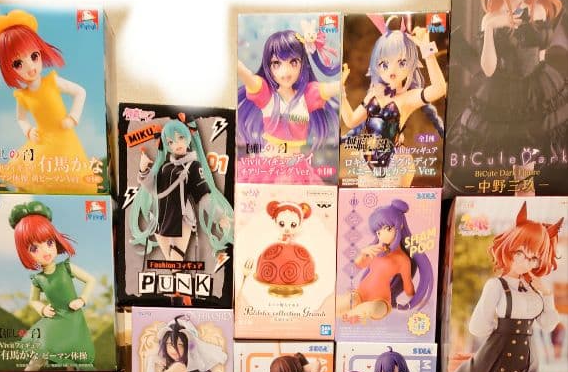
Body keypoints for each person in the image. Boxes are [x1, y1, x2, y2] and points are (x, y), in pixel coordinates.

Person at [447, 0, 567, 192]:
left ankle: (526, 198)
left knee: (532, 159)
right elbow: (488, 69)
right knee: (509, 155)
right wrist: (491, 27)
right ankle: (517, 199)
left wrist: (544, 82)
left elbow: (541, 53)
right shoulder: (490, 18)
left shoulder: (539, 11)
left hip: (539, 87)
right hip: (502, 91)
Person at [453, 203, 563, 372]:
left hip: (528, 355)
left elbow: (548, 325)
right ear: (510, 248)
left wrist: (547, 295)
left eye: (533, 258)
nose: (525, 262)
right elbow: (477, 327)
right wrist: (499, 330)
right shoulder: (496, 285)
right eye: (521, 253)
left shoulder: (534, 288)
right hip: (500, 352)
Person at [0, 9, 97, 194]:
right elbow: (20, 118)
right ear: (8, 69)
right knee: (34, 176)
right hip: (42, 140)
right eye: (18, 64)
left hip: (64, 137)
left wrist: (73, 117)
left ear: (41, 53)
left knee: (73, 176)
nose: (30, 67)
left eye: (34, 56)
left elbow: (80, 92)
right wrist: (29, 130)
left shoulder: (52, 82)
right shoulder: (23, 96)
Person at [341, 16, 446, 185]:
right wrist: (341, 91)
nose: (392, 70)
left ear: (410, 64)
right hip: (366, 162)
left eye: (401, 63)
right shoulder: (373, 94)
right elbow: (351, 121)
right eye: (385, 64)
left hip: (395, 162)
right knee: (365, 201)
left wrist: (426, 49)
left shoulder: (407, 98)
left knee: (393, 202)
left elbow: (439, 89)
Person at [237, 26, 340, 183]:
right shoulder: (267, 94)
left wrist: (343, 82)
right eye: (276, 63)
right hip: (268, 165)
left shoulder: (307, 96)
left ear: (302, 63)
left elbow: (330, 88)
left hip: (296, 167)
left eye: (293, 62)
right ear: (268, 67)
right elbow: (248, 77)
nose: (285, 72)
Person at [129, 115, 233, 265]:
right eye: (171, 142)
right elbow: (153, 189)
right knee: (171, 265)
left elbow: (203, 195)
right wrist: (143, 169)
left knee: (176, 262)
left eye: (180, 138)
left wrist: (219, 216)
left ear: (188, 138)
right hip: (160, 219)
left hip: (181, 219)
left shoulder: (194, 166)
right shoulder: (165, 166)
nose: (176, 144)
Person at [9, 200, 97, 369]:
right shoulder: (38, 279)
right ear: (25, 253)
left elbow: (91, 280)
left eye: (49, 243)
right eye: (34, 249)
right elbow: (33, 300)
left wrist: (82, 299)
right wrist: (42, 309)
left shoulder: (66, 267)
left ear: (56, 240)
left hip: (73, 318)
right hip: (54, 318)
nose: (45, 251)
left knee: (74, 354)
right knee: (40, 352)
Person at [335, 198, 433, 325]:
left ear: (399, 226)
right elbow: (358, 265)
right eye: (378, 232)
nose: (381, 235)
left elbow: (408, 286)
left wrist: (416, 297)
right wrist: (363, 252)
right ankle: (346, 312)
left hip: (381, 299)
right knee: (347, 300)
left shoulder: (403, 260)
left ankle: (354, 313)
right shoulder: (376, 250)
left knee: (373, 308)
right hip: (361, 292)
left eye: (387, 228)